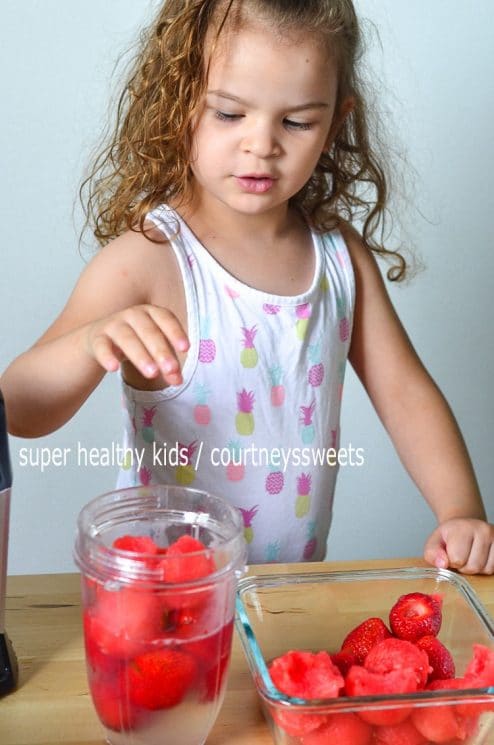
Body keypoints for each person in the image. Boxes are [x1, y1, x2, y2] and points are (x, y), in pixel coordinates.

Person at [1, 0, 492, 571]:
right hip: (164, 604)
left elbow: (406, 395)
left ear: (335, 122)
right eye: (230, 114)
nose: (261, 144)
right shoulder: (150, 260)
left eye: (298, 121)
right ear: (180, 103)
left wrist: (460, 510)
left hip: (284, 596)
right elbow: (17, 407)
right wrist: (92, 342)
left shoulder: (339, 257)